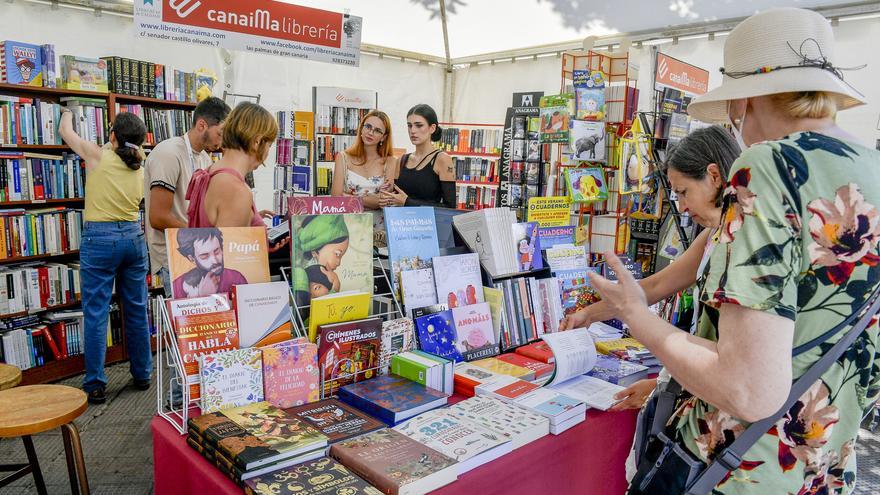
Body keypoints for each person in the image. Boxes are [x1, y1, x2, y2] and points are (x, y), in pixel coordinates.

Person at [581, 8, 880, 493]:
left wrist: (638, 315)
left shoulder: (771, 165)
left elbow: (748, 389)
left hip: (741, 467)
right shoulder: (871, 170)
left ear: (746, 101)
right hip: (824, 464)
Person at [59, 108, 150, 405]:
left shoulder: (98, 155)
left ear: (112, 136)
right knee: (136, 309)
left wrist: (67, 113)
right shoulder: (142, 161)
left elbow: (66, 134)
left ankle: (96, 384)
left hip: (100, 239)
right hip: (134, 239)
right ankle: (142, 373)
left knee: (96, 312)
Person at [144, 96, 230, 295]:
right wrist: (199, 235)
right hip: (176, 256)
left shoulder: (204, 157)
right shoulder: (169, 154)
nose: (222, 141)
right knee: (183, 322)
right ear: (202, 125)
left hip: (199, 253)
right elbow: (157, 217)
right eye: (220, 133)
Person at [186, 102, 278, 229]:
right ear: (257, 142)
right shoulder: (236, 189)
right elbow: (229, 248)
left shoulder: (211, 172)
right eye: (269, 145)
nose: (267, 152)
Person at [330, 110, 396, 245]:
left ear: (384, 137)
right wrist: (372, 200)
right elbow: (336, 198)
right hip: (348, 230)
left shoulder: (391, 162)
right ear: (361, 129)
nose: (370, 132)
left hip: (380, 235)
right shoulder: (343, 157)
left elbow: (384, 201)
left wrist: (348, 196)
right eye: (368, 127)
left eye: (377, 130)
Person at [380, 104, 456, 208]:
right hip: (399, 222)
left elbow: (450, 207)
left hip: (426, 223)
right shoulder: (402, 160)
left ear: (432, 128)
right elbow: (396, 198)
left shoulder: (442, 159)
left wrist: (407, 202)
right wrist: (387, 194)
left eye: (419, 125)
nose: (413, 131)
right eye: (409, 125)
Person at [172, 228, 248, 298]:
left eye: (217, 251)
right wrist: (203, 296)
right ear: (192, 259)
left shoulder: (236, 278)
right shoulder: (176, 286)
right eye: (205, 256)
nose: (215, 260)